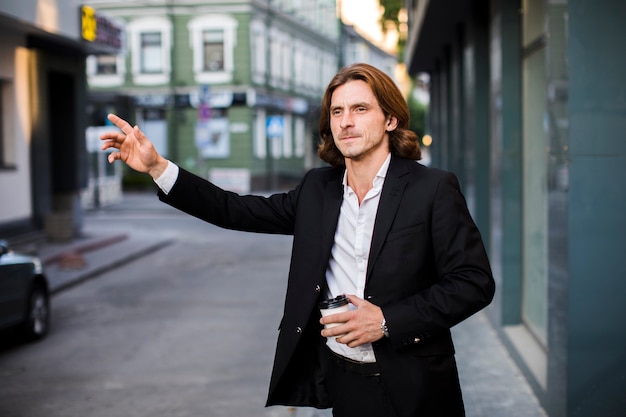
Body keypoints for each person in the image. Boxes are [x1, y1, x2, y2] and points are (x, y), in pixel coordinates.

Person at [101, 63, 495, 417]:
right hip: (346, 381)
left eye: (360, 109)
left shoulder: (432, 188)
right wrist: (156, 167)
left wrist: (387, 320)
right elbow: (232, 210)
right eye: (337, 112)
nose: (346, 122)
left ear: (390, 119)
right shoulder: (317, 191)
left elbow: (473, 283)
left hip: (418, 383)